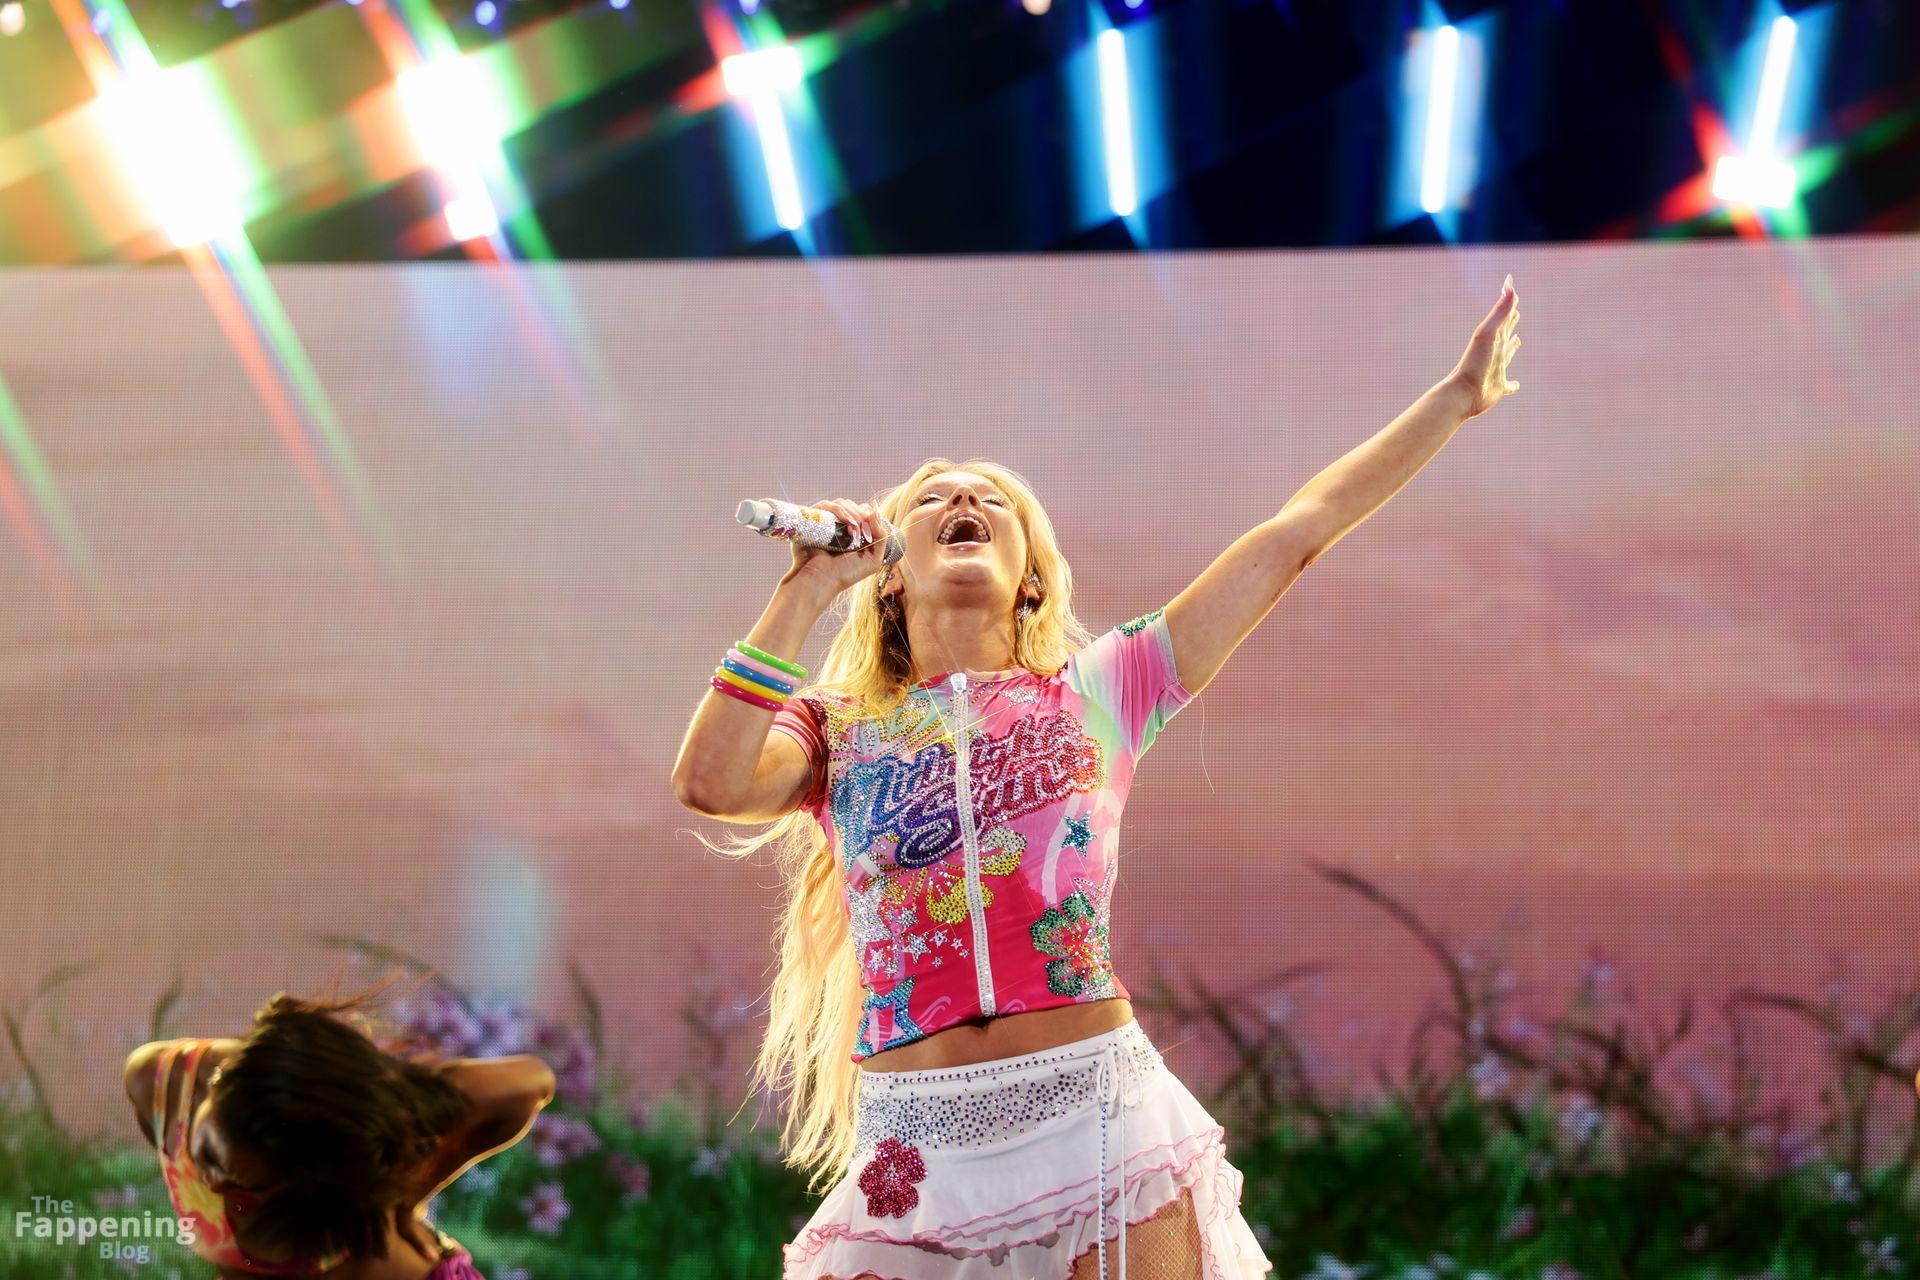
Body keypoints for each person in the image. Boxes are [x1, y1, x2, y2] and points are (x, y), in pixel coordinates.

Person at [673, 280, 1523, 1279]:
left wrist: (1452, 402)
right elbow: (711, 782)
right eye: (934, 498)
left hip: (1095, 1115)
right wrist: (806, 588)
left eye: (993, 500)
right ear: (890, 571)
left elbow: (1295, 532)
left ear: (1031, 574)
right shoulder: (837, 729)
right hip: (916, 1142)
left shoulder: (1104, 687)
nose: (964, 502)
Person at [122, 987, 556, 1279]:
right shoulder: (161, 1086)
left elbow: (531, 1083)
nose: (213, 1182)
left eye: (256, 1184)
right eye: (208, 1154)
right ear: (220, 1085)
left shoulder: (349, 1131)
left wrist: (413, 1189)